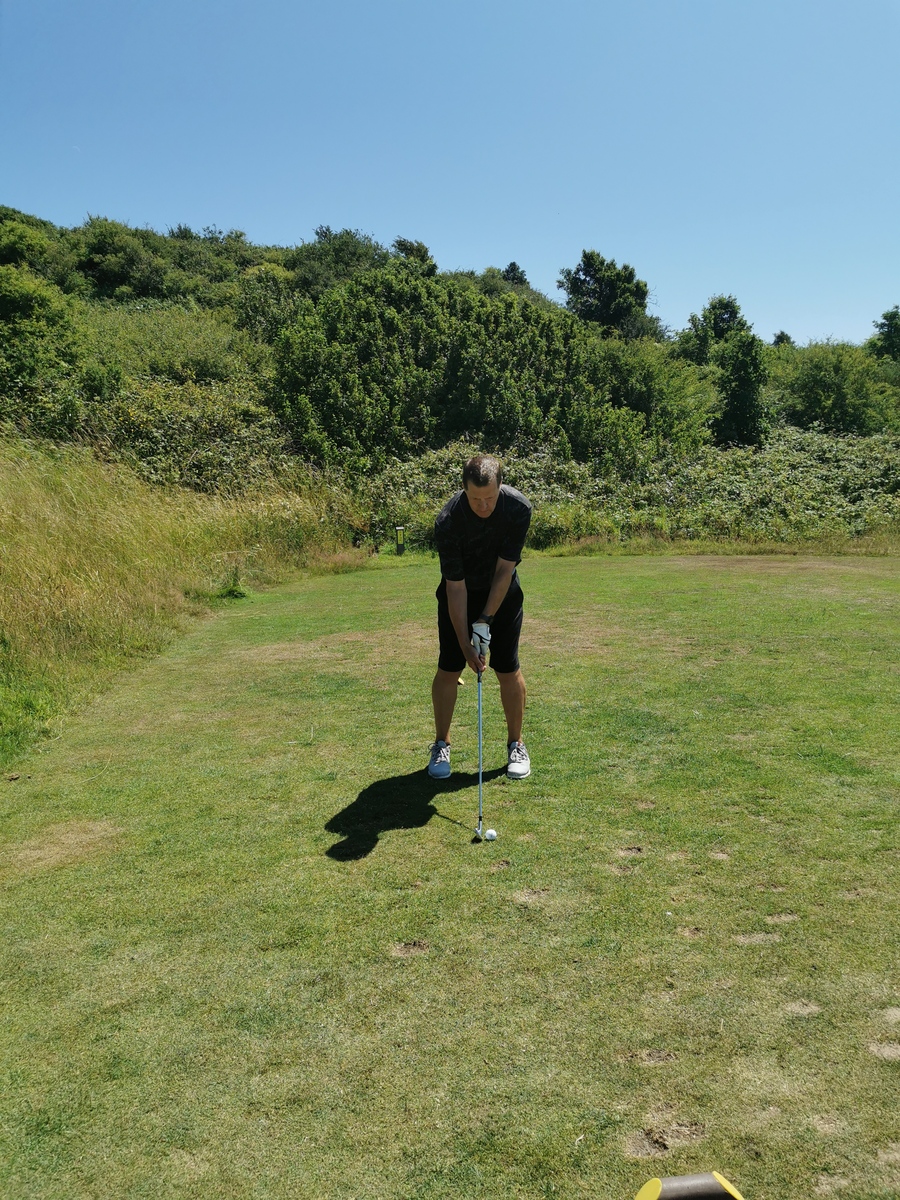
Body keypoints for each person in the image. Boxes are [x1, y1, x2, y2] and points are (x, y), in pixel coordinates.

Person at [428, 454, 532, 781]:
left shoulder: (518, 508)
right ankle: (441, 744)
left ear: (501, 486)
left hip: (503, 595)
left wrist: (486, 619)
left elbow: (505, 569)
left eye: (490, 498)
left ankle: (516, 745)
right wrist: (465, 643)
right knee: (449, 668)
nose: (483, 506)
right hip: (460, 595)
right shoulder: (448, 521)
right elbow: (455, 587)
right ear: (464, 489)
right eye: (476, 499)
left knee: (507, 668)